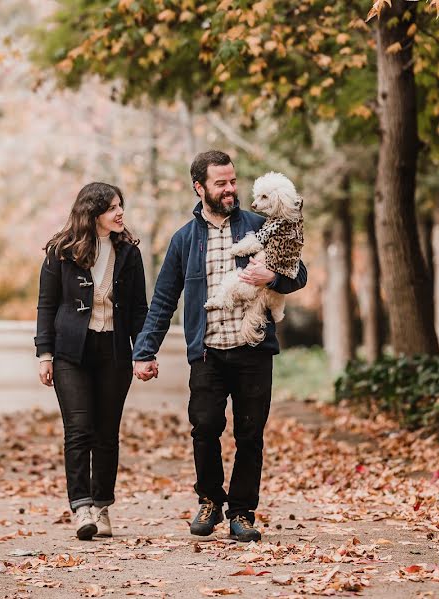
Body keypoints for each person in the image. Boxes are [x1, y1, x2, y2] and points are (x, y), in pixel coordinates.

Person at [132, 150, 307, 543]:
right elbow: (163, 300)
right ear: (200, 188)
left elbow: (299, 272)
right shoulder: (184, 239)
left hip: (254, 348)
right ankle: (210, 500)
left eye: (233, 181)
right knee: (205, 427)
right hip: (208, 352)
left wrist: (273, 278)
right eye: (220, 183)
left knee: (250, 433)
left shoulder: (262, 224)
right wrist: (144, 351)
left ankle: (242, 512)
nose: (230, 189)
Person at [34, 182, 148, 541]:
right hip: (71, 354)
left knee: (106, 433)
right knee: (79, 429)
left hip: (114, 352)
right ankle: (81, 506)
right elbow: (46, 305)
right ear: (92, 212)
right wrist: (44, 353)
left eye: (121, 206)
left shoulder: (129, 252)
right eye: (113, 207)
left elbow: (140, 309)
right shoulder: (61, 251)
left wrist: (145, 350)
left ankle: (102, 506)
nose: (120, 213)